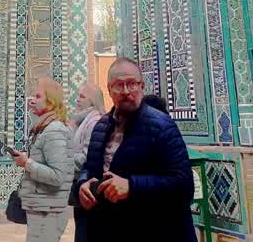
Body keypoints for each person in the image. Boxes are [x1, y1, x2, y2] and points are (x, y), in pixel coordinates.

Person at [75, 57, 195, 241]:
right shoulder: (101, 126)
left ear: (142, 86)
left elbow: (183, 186)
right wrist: (83, 184)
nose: (126, 91)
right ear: (109, 90)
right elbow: (89, 168)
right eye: (118, 85)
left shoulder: (162, 126)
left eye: (132, 84)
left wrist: (131, 186)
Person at [15, 77, 75, 241]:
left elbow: (57, 176)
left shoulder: (54, 130)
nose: (33, 100)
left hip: (48, 210)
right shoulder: (46, 127)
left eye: (39, 96)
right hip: (43, 206)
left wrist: (26, 163)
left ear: (51, 102)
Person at [68, 83, 105, 242]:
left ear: (92, 100)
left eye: (82, 96)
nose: (77, 100)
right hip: (80, 185)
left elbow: (86, 158)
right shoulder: (82, 121)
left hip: (89, 187)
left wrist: (63, 161)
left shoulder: (94, 122)